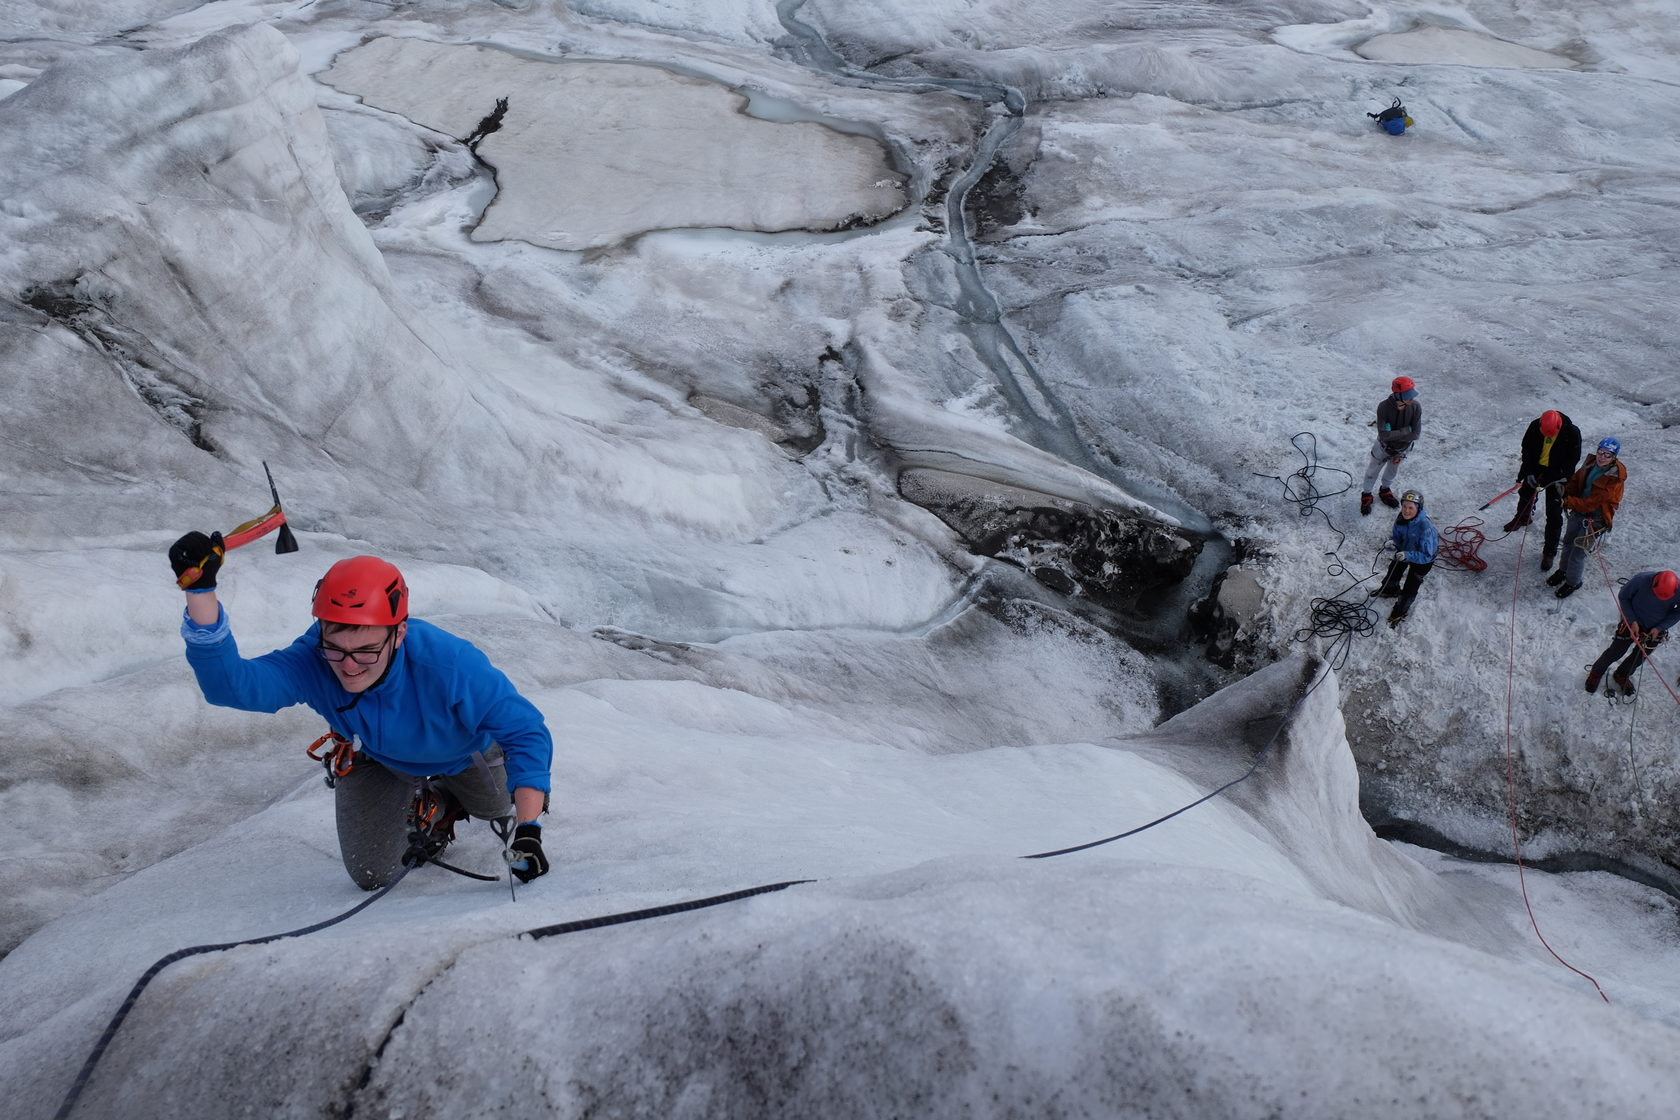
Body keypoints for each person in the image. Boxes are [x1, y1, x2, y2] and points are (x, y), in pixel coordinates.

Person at [168, 534, 553, 889]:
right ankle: (430, 808)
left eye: (367, 651)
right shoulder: (313, 659)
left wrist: (529, 831)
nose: (349, 666)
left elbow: (525, 731)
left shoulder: (450, 665)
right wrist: (201, 595)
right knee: (373, 872)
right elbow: (231, 687)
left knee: (496, 806)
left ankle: (453, 796)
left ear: (398, 634)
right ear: (321, 631)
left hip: (461, 751)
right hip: (375, 756)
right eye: (336, 649)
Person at [1547, 437, 1627, 599]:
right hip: (1578, 512)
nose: (1602, 457)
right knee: (1568, 542)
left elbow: (1592, 503)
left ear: (1614, 457)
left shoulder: (1614, 479)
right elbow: (1577, 480)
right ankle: (1563, 570)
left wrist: (1568, 501)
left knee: (1578, 552)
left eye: (1608, 455)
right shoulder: (1590, 463)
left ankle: (1573, 581)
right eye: (1600, 452)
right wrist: (1566, 490)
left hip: (1594, 519)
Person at [1502, 409, 1582, 570]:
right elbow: (1527, 450)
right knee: (1525, 495)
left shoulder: (1572, 433)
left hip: (1558, 475)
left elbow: (1572, 460)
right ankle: (1523, 518)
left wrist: (1558, 478)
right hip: (1536, 468)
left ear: (1559, 426)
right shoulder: (1534, 426)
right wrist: (1529, 472)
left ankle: (1549, 551)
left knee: (1553, 513)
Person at [1585, 570, 1680, 695]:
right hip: (1631, 622)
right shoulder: (1641, 580)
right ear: (1654, 584)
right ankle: (1596, 672)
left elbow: (1678, 612)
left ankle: (1622, 674)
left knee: (1639, 657)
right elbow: (1623, 597)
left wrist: (1660, 627)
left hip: (1654, 629)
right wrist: (1632, 621)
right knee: (1615, 652)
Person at [1373, 488, 1438, 626]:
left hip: (1422, 560)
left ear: (1418, 508)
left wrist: (1408, 555)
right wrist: (1393, 542)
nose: (1406, 510)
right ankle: (1390, 590)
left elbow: (1427, 554)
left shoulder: (1425, 527)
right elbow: (1397, 536)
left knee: (1411, 584)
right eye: (1404, 506)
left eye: (1410, 507)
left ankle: (1400, 611)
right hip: (1405, 550)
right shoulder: (1401, 518)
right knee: (1393, 570)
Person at [1360, 376, 1423, 516]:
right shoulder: (1384, 407)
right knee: (1372, 472)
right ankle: (1366, 494)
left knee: (1392, 471)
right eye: (1408, 396)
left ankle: (1385, 490)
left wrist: (1393, 433)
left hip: (1401, 450)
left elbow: (1416, 434)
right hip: (1383, 448)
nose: (1411, 399)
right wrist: (1406, 430)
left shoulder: (1415, 407)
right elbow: (1384, 435)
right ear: (1398, 395)